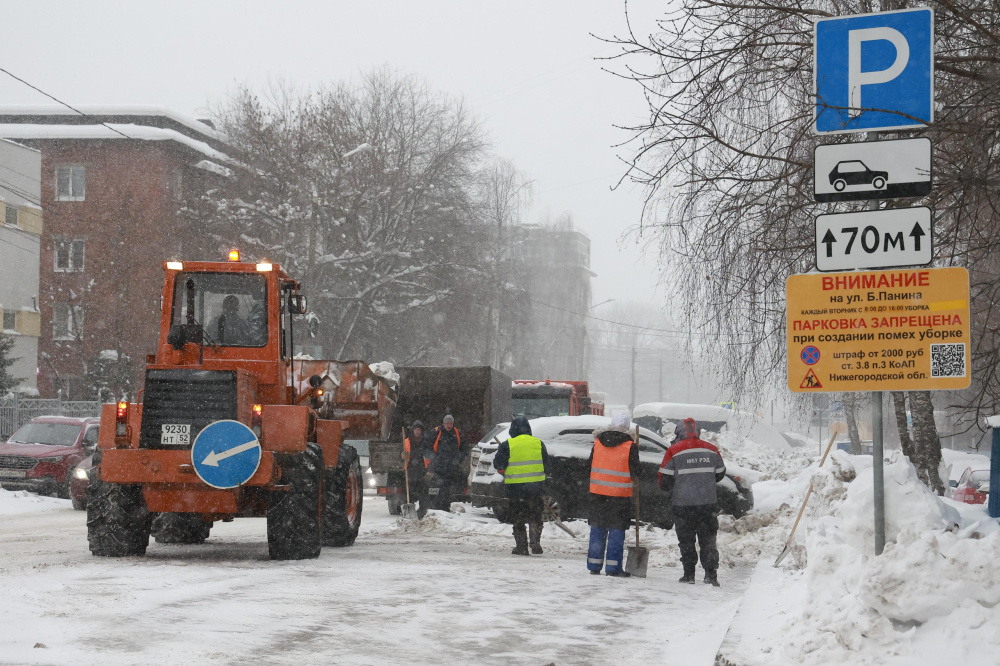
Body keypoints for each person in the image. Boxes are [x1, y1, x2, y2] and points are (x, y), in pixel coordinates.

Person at [659, 418, 727, 587]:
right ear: (697, 431)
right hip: (707, 504)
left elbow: (664, 480)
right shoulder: (711, 450)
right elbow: (720, 473)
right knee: (708, 541)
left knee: (686, 541)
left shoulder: (674, 451)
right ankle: (711, 575)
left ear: (679, 432)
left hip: (683, 505)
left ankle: (689, 574)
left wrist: (675, 490)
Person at [586, 412, 639, 577]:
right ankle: (613, 568)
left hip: (597, 495)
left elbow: (589, 465)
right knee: (616, 530)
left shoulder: (598, 443)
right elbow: (636, 471)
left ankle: (594, 565)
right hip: (620, 496)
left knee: (598, 528)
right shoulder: (630, 446)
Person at [492, 416, 549, 555]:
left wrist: (503, 469)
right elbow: (547, 464)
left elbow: (498, 465)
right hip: (535, 487)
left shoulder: (507, 445)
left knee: (518, 517)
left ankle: (521, 546)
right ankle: (535, 541)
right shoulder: (538, 443)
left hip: (515, 489)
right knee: (535, 515)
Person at [422, 414, 467, 511]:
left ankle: (445, 509)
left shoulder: (458, 434)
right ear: (443, 423)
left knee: (447, 490)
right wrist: (433, 458)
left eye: (451, 423)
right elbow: (425, 446)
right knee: (436, 488)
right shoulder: (436, 432)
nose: (449, 425)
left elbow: (465, 449)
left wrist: (458, 459)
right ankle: (434, 508)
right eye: (447, 423)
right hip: (437, 468)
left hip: (451, 469)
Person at [402, 420, 429, 519]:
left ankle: (422, 513)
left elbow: (430, 456)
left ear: (422, 431)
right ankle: (409, 514)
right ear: (413, 431)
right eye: (416, 429)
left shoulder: (426, 442)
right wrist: (402, 455)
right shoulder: (407, 441)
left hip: (422, 471)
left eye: (419, 430)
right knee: (409, 494)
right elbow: (401, 455)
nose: (417, 431)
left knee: (423, 495)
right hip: (410, 471)